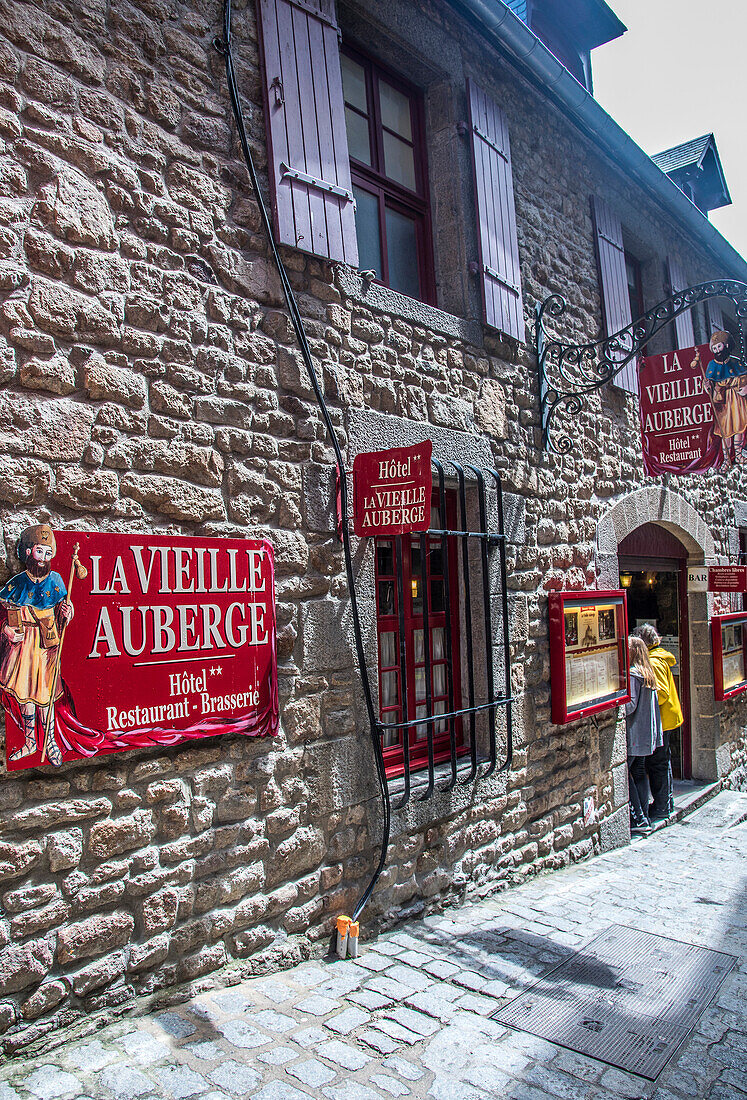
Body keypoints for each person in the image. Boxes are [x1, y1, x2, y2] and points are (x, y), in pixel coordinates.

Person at [0, 524, 73, 766]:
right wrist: (7, 631)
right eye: (39, 552)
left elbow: (61, 611)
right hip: (24, 645)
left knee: (45, 696)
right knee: (26, 696)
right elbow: (4, 614)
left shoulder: (56, 581)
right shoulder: (18, 583)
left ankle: (50, 741)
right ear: (29, 552)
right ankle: (31, 741)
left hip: (47, 644)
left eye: (48, 553)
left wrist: (67, 612)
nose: (43, 559)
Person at [633, 623, 683, 820]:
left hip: (662, 719)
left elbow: (660, 692)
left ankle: (662, 805)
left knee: (657, 763)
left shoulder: (653, 661)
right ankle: (666, 801)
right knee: (662, 761)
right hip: (668, 716)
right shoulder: (660, 656)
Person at [625, 636, 664, 835]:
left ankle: (638, 817)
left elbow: (630, 706)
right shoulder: (648, 674)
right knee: (639, 772)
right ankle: (645, 817)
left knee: (627, 774)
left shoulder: (633, 675)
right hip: (646, 734)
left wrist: (616, 705)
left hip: (634, 735)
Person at [692, 330, 747, 466]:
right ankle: (727, 459)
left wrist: (742, 385)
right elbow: (710, 384)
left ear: (726, 346)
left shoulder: (735, 362)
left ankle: (738, 454)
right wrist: (708, 385)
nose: (717, 350)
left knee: (739, 426)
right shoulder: (711, 365)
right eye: (714, 348)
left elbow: (744, 378)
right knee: (725, 430)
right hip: (721, 400)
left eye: (719, 347)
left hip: (736, 398)